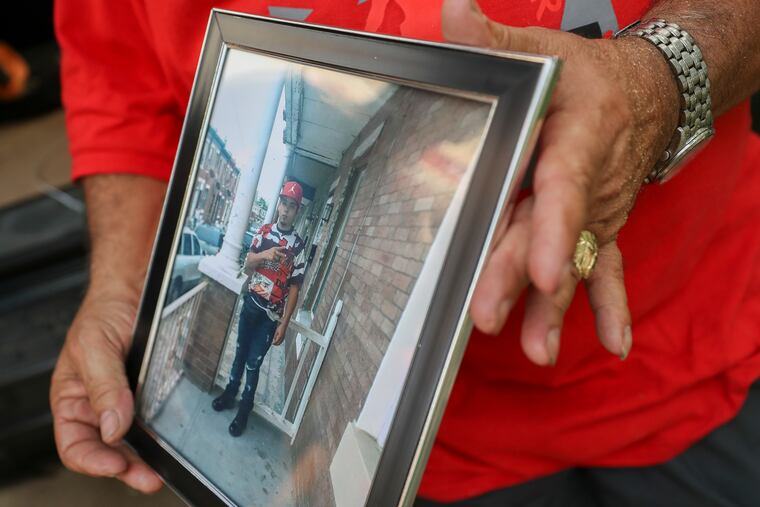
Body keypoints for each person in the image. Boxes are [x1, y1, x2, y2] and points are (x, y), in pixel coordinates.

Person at [50, 0, 760, 503]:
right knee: (241, 366)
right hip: (425, 455)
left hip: (698, 351)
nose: (293, 207)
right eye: (291, 202)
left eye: (298, 202)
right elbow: (118, 75)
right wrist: (119, 281)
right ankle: (235, 407)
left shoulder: (292, 235)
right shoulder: (275, 229)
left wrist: (658, 84)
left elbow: (288, 273)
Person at [211, 181, 306, 437]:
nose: (286, 210)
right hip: (251, 305)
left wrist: (284, 324)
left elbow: (295, 288)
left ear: (297, 211)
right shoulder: (264, 232)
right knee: (240, 353)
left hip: (270, 317)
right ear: (279, 204)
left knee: (253, 363)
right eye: (284, 203)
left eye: (292, 206)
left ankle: (244, 409)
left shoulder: (298, 247)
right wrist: (266, 255)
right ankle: (230, 393)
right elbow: (248, 262)